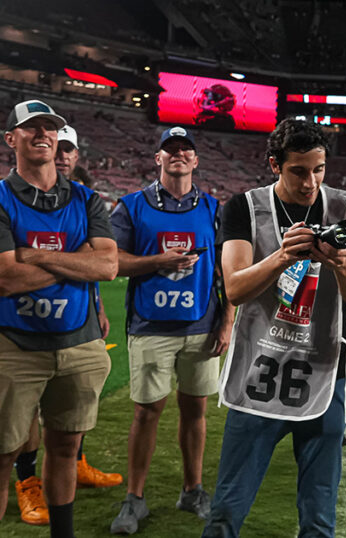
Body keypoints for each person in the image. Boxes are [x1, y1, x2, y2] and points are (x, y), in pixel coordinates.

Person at [202, 118, 346, 537]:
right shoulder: (244, 206)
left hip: (325, 367)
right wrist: (281, 256)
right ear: (274, 165)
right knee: (227, 505)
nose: (310, 182)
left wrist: (338, 260)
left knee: (319, 512)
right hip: (260, 365)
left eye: (319, 169)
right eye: (298, 170)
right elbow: (236, 289)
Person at [108, 126, 235, 534]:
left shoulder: (215, 208)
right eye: (170, 150)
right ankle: (135, 498)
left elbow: (226, 270)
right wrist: (156, 261)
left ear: (196, 160)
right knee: (147, 412)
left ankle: (192, 489)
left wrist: (228, 320)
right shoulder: (131, 206)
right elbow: (109, 262)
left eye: (186, 150)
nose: (178, 154)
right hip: (149, 326)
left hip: (201, 324)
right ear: (157, 158)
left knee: (195, 410)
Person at [0, 99, 118, 535]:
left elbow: (107, 267)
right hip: (13, 343)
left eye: (49, 128)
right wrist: (75, 258)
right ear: (11, 139)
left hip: (78, 342)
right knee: (2, 455)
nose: (41, 135)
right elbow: (5, 279)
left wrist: (30, 254)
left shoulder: (87, 199)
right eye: (30, 128)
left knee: (66, 447)